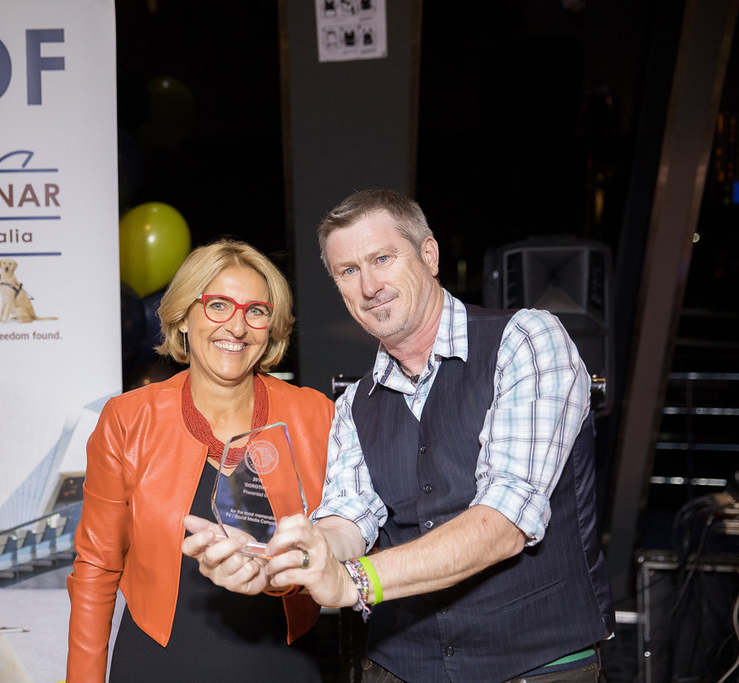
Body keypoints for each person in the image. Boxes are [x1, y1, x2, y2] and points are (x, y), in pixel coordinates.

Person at [200, 190, 616, 681]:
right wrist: (280, 556)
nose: (369, 285)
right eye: (348, 271)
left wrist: (355, 582)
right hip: (401, 667)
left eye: (382, 258)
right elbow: (348, 520)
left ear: (429, 255)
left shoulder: (526, 340)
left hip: (537, 665)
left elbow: (505, 522)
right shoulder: (355, 404)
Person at [65, 239, 335, 682]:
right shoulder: (128, 420)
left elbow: (351, 544)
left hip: (282, 666)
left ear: (271, 326)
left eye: (255, 311)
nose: (237, 327)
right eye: (218, 305)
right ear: (183, 317)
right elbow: (96, 568)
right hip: (155, 667)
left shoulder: (317, 416)